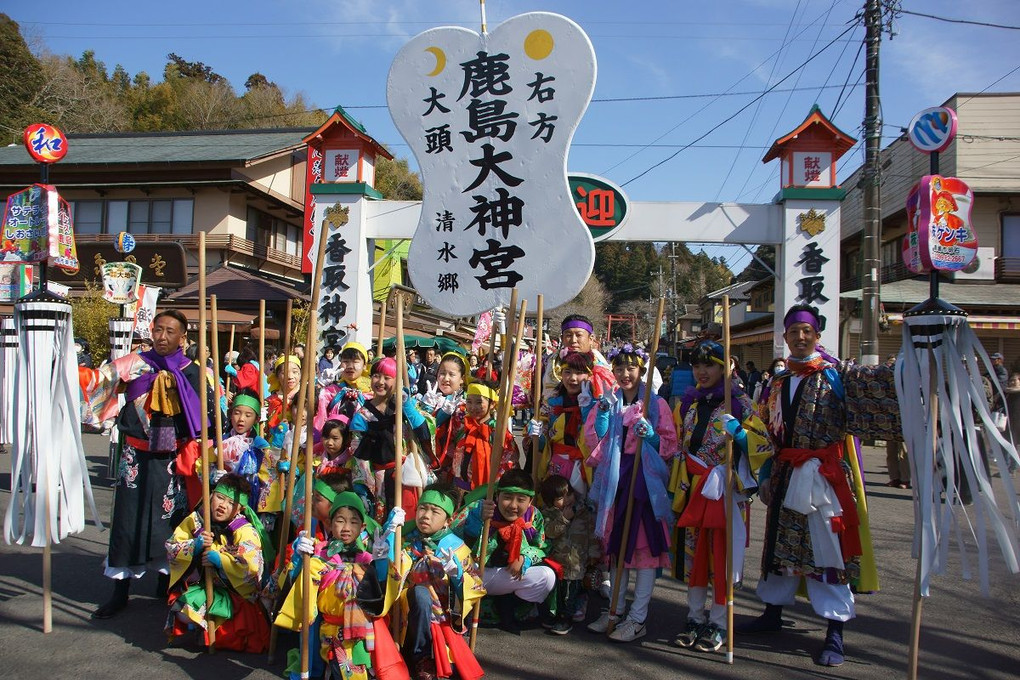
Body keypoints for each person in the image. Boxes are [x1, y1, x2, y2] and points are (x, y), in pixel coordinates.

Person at [739, 304, 900, 667]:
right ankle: (772, 613)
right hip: (784, 473)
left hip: (824, 477)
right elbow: (765, 431)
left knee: (827, 551)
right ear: (785, 337)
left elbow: (880, 383)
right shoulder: (778, 382)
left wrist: (915, 363)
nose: (800, 337)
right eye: (793, 331)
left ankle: (835, 630)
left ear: (817, 335)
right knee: (779, 547)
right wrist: (764, 475)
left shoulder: (836, 375)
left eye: (806, 331)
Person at [83, 309, 215, 619]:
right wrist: (71, 370)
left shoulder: (195, 372)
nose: (163, 336)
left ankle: (165, 582)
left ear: (183, 338)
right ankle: (120, 591)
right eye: (159, 329)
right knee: (128, 520)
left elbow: (208, 419)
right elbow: (99, 382)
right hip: (135, 456)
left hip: (174, 460)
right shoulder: (135, 363)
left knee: (171, 522)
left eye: (171, 331)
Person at [669, 341, 773, 653]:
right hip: (693, 489)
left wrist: (741, 435)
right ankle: (694, 615)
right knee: (692, 556)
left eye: (710, 365)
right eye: (697, 365)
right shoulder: (687, 402)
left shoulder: (740, 403)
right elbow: (678, 441)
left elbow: (763, 445)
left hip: (725, 490)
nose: (702, 371)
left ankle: (718, 620)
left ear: (726, 366)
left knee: (721, 558)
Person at [584, 345, 676, 643]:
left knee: (644, 550)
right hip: (616, 481)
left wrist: (650, 437)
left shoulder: (655, 404)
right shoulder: (609, 401)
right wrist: (602, 419)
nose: (624, 374)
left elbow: (670, 445)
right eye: (619, 368)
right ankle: (614, 610)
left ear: (642, 371)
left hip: (643, 484)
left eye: (631, 368)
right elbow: (595, 440)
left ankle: (638, 618)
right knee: (617, 550)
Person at [275, 491, 406, 680]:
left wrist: (381, 562)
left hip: (362, 632)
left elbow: (381, 598)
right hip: (329, 631)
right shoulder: (317, 554)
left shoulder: (367, 559)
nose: (346, 527)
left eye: (353, 522)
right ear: (329, 522)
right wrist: (298, 560)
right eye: (340, 520)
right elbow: (292, 588)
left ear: (362, 527)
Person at [381, 484, 485, 680]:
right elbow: (388, 570)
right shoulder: (406, 538)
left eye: (435, 511)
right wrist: (390, 533)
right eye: (422, 508)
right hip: (404, 611)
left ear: (449, 519)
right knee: (420, 593)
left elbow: (474, 589)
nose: (425, 515)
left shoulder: (456, 546)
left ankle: (425, 656)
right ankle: (419, 654)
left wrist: (457, 575)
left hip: (442, 614)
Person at [165, 473, 272, 651]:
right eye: (220, 498)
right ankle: (201, 625)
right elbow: (172, 546)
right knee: (183, 612)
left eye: (231, 503)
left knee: (233, 636)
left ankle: (211, 628)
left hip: (235, 593)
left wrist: (221, 561)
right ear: (211, 495)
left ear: (240, 509)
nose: (223, 505)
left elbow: (252, 568)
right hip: (206, 585)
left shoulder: (245, 531)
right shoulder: (197, 520)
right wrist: (195, 546)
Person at [453, 469, 556, 634]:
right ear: (497, 496)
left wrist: (525, 556)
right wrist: (475, 523)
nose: (513, 506)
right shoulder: (479, 509)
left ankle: (508, 608)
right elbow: (452, 541)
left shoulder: (533, 516)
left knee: (546, 576)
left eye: (521, 500)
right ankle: (464, 615)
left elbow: (543, 546)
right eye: (507, 497)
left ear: (530, 501)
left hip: (507, 576)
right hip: (477, 574)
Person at [349, 357, 435, 520]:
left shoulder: (404, 406)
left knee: (410, 520)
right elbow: (358, 457)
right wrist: (363, 487)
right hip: (379, 480)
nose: (380, 382)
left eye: (387, 378)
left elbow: (425, 433)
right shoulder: (362, 415)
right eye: (376, 376)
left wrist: (407, 406)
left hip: (408, 474)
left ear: (397, 382)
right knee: (384, 522)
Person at [538, 474, 599, 635]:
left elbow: (591, 534)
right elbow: (549, 533)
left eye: (569, 494)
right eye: (560, 498)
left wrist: (595, 553)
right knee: (554, 592)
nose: (567, 500)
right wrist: (564, 518)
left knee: (569, 595)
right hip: (556, 561)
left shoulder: (583, 512)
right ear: (550, 501)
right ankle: (551, 615)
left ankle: (566, 619)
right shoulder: (547, 514)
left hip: (577, 562)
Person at [533, 352, 597, 497]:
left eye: (579, 373)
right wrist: (538, 431)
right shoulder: (552, 402)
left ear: (589, 376)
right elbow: (542, 439)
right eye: (567, 372)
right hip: (555, 466)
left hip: (585, 467)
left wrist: (588, 411)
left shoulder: (598, 405)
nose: (572, 378)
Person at [442, 380, 517, 497]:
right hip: (458, 490)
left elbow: (509, 462)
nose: (473, 407)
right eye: (469, 402)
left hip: (486, 493)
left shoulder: (498, 432)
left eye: (478, 402)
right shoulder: (462, 426)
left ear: (492, 404)